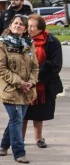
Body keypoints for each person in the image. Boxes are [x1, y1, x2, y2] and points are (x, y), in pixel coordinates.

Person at [0, 14, 38, 163]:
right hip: (10, 89)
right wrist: (20, 83)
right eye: (15, 23)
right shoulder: (2, 44)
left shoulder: (29, 44)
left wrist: (31, 82)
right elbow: (0, 68)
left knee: (16, 119)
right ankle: (19, 152)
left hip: (27, 90)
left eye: (21, 24)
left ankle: (4, 145)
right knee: (17, 119)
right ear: (11, 25)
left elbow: (34, 67)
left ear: (25, 28)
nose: (18, 26)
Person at [23, 14, 62, 148]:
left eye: (32, 26)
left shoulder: (52, 41)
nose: (29, 29)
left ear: (40, 28)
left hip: (43, 83)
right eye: (28, 26)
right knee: (23, 113)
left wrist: (37, 77)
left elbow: (56, 64)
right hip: (24, 83)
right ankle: (18, 139)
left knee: (39, 113)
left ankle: (38, 138)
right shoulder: (22, 40)